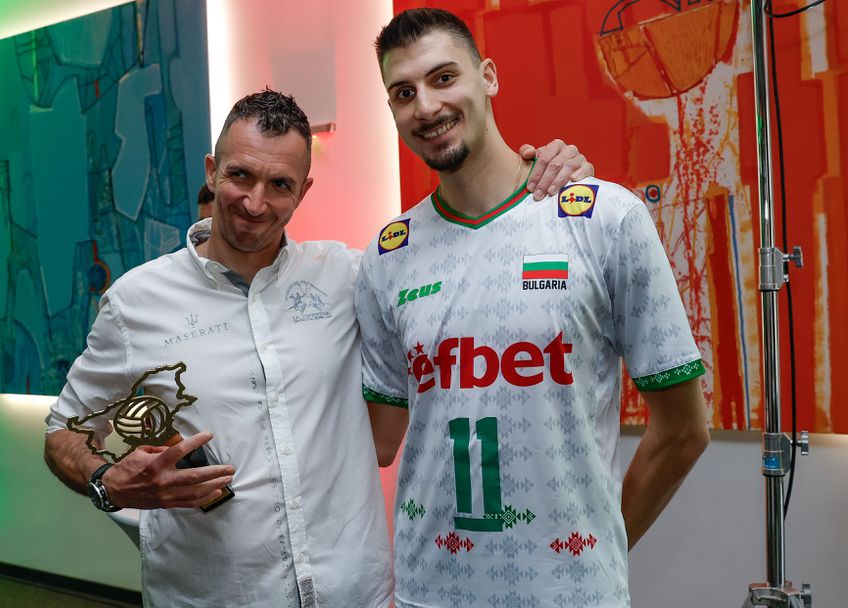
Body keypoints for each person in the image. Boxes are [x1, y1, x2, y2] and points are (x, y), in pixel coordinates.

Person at [44, 89, 593, 607]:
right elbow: (63, 432)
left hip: (351, 591)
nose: (255, 202)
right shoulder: (135, 302)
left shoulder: (350, 277)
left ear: (304, 191)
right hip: (214, 594)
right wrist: (108, 481)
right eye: (240, 175)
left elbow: (467, 248)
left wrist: (543, 173)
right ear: (212, 172)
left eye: (279, 184)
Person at [356, 9, 710, 608]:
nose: (426, 106)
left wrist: (598, 549)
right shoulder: (387, 257)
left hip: (570, 594)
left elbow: (684, 431)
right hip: (430, 592)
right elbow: (379, 441)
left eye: (444, 78)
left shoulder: (604, 219)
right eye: (403, 93)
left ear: (489, 77)